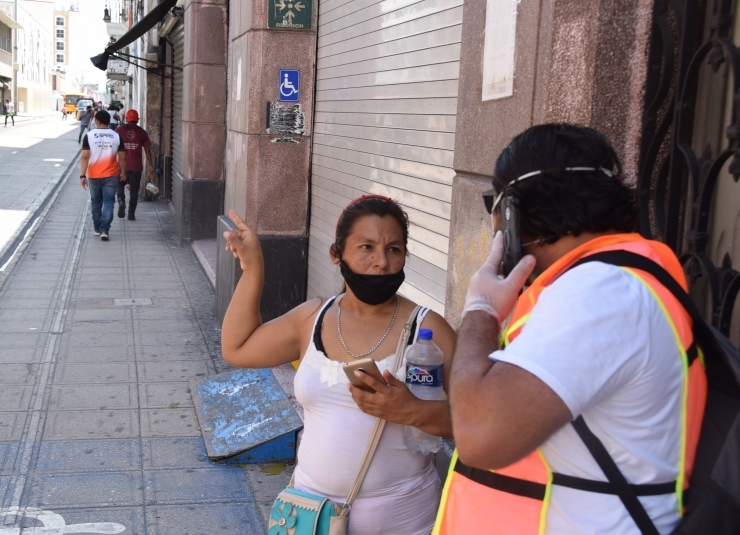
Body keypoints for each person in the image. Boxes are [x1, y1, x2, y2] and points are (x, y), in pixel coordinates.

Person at [434, 123, 708, 535]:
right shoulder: (604, 282)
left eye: (494, 207)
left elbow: (477, 434)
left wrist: (481, 310)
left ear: (512, 214)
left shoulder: (600, 293)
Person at [222, 196, 456, 535]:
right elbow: (237, 348)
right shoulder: (311, 318)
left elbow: (475, 419)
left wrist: (412, 410)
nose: (381, 262)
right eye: (366, 247)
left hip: (404, 521)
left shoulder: (428, 330)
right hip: (308, 518)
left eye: (394, 249)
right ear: (336, 254)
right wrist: (252, 268)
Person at [80, 110, 127, 241]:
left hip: (94, 175)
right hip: (111, 175)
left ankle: (97, 227)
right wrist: (124, 172)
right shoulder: (116, 136)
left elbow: (84, 157)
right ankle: (104, 230)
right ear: (108, 121)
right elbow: (123, 157)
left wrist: (82, 176)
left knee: (96, 202)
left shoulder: (89, 136)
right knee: (109, 202)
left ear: (97, 120)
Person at [115, 109, 153, 220]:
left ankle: (121, 201)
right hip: (136, 166)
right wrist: (150, 165)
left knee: (120, 185)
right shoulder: (142, 132)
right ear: (138, 119)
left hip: (121, 166)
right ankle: (131, 214)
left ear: (126, 119)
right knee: (134, 190)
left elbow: (113, 148)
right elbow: (147, 150)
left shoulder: (118, 130)